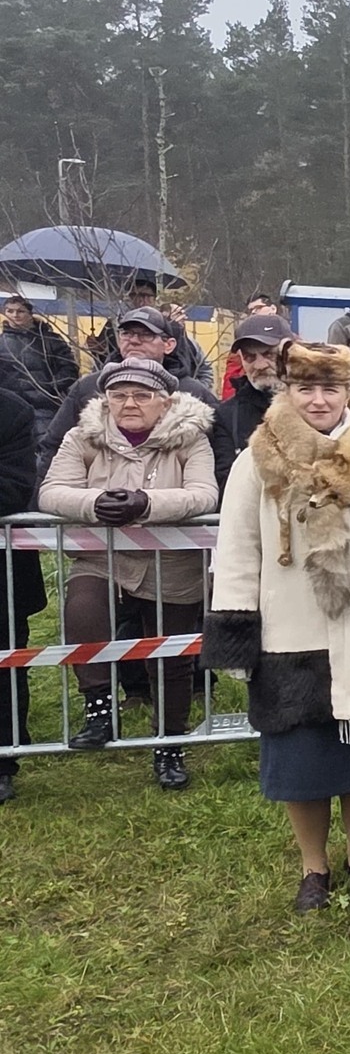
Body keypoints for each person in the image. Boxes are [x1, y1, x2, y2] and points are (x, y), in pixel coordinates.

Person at [206, 339, 350, 903]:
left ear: (348, 391)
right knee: (301, 762)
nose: (318, 400)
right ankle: (314, 869)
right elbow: (236, 547)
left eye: (329, 388)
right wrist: (236, 633)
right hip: (293, 634)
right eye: (305, 388)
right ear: (288, 390)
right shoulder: (257, 458)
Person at [40, 359, 218, 787]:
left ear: (165, 401)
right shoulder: (82, 435)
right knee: (83, 610)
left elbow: (204, 493)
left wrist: (146, 504)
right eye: (119, 395)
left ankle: (169, 745)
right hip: (103, 555)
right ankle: (99, 710)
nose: (129, 404)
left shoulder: (190, 438)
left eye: (141, 395)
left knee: (171, 656)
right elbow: (51, 490)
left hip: (173, 560)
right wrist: (94, 504)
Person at [39, 307, 234, 490]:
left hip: (174, 515)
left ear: (169, 344)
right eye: (127, 333)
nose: (134, 340)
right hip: (97, 513)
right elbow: (54, 447)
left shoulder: (195, 394)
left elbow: (218, 458)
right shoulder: (88, 388)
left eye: (146, 335)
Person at [0, 382, 49, 805]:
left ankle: (3, 760)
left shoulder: (12, 411)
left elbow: (14, 487)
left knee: (4, 663)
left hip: (2, 573)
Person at [2, 293, 81, 438]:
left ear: (30, 314)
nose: (15, 315)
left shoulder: (50, 340)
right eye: (10, 311)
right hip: (12, 408)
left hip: (47, 406)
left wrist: (49, 388)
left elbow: (70, 370)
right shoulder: (1, 343)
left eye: (20, 311)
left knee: (47, 448)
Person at [221, 314, 294, 453]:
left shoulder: (317, 404)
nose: (260, 365)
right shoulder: (227, 417)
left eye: (269, 354)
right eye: (250, 357)